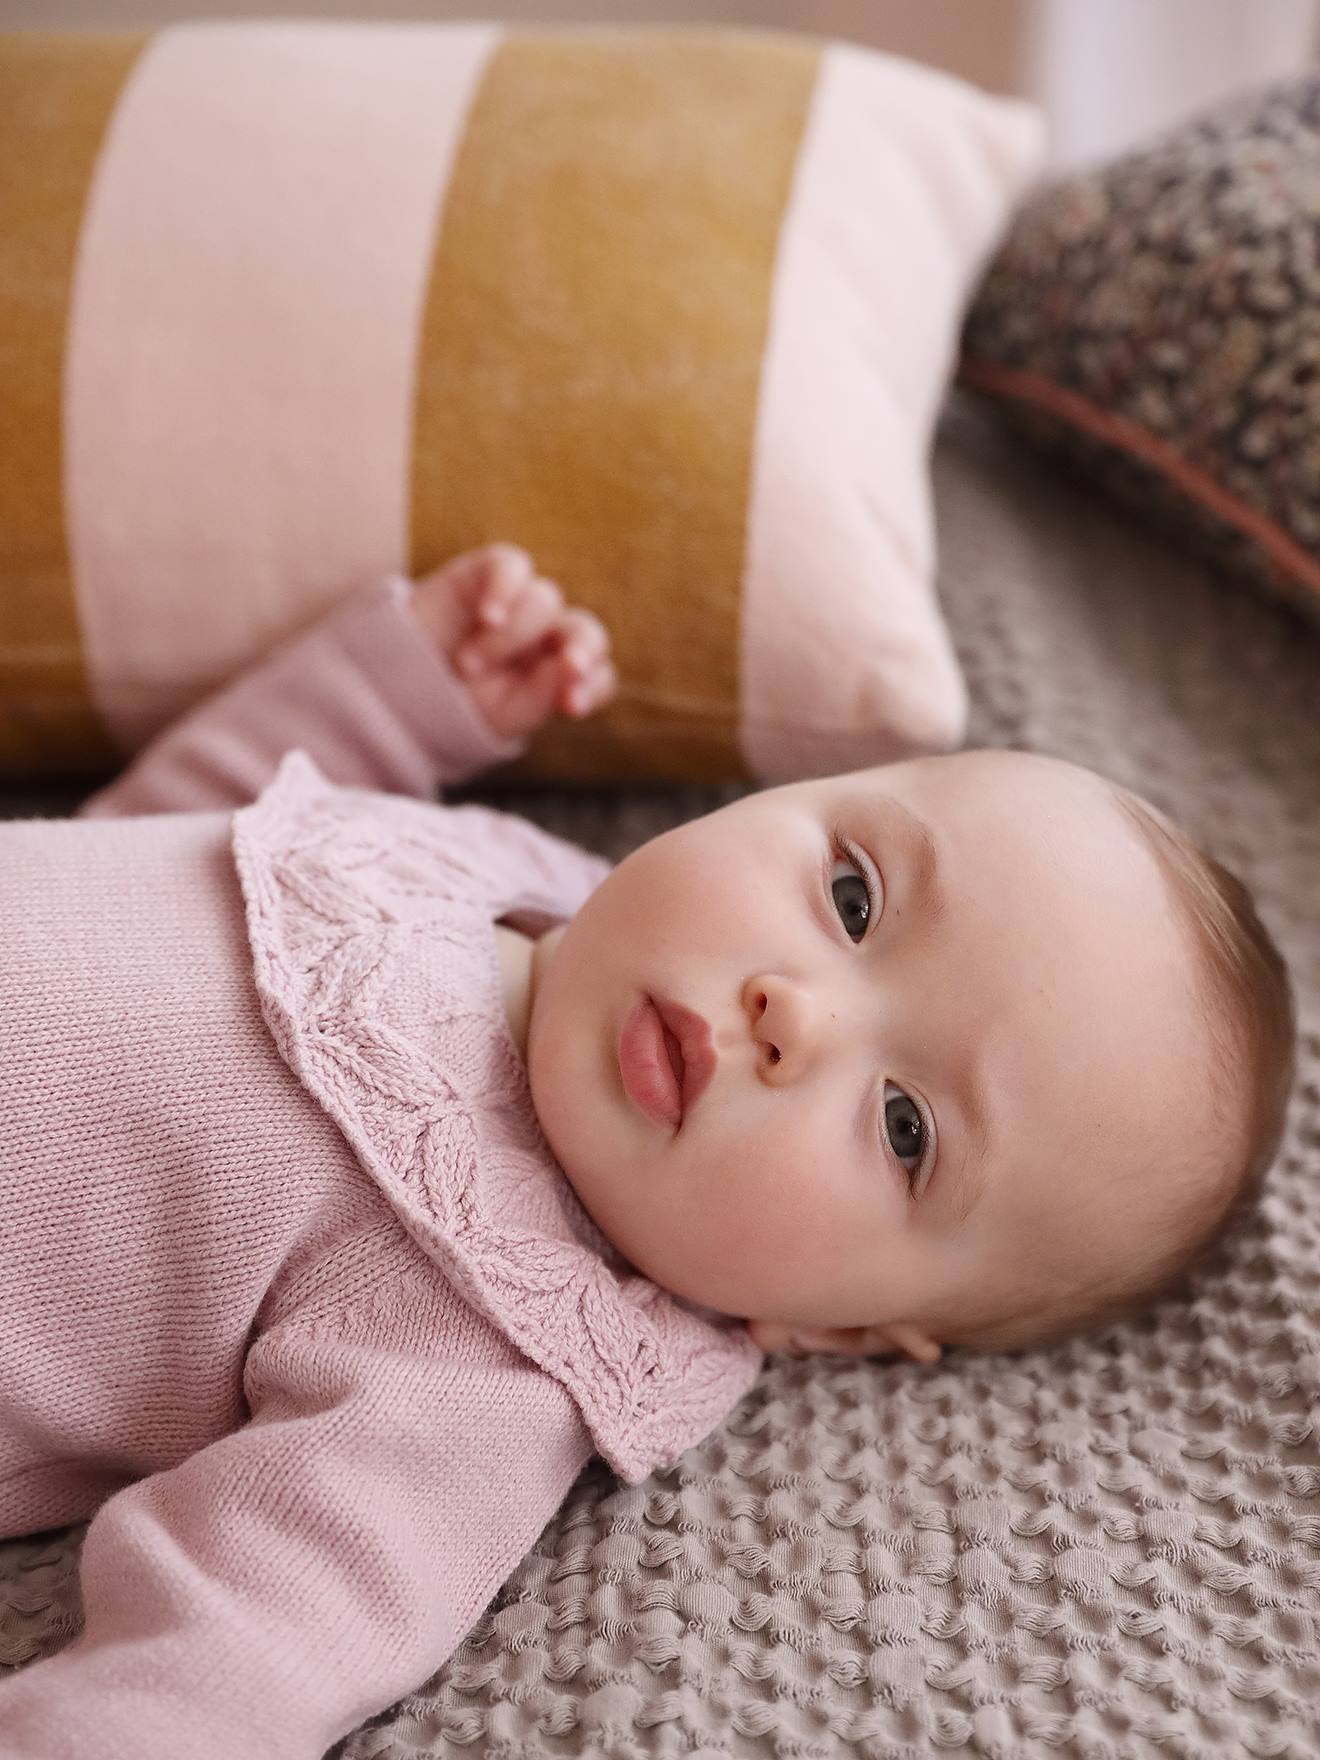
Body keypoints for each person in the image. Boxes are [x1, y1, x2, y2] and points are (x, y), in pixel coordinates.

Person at [0, 546, 1294, 1758]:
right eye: (853, 897)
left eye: (907, 1127)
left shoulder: (484, 1352)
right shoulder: (506, 874)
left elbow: (245, 1650)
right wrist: (390, 699)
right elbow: (179, 840)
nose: (797, 1014)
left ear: (834, 1331)